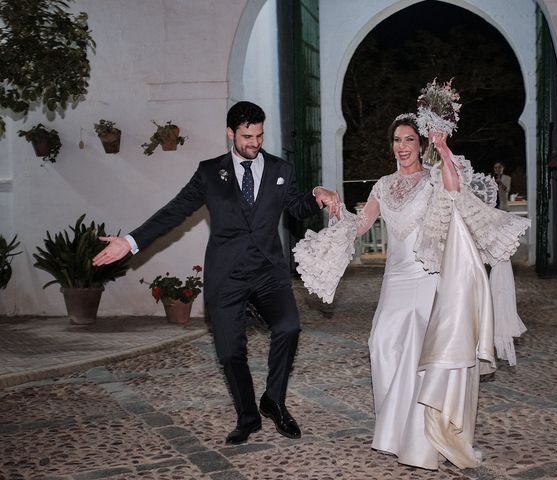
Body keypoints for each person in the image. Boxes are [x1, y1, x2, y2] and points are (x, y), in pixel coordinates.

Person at [92, 101, 340, 445]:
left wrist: (317, 194)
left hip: (268, 271)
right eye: (246, 136)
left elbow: (297, 206)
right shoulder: (210, 172)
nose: (254, 142)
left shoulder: (280, 169)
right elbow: (174, 212)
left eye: (259, 135)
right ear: (230, 133)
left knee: (289, 326)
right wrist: (130, 243)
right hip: (227, 275)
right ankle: (248, 417)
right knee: (229, 351)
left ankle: (274, 400)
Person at [294, 107, 529, 469]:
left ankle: (421, 439)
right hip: (395, 281)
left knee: (421, 356)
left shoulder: (435, 178)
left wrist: (444, 145)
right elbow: (360, 226)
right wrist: (333, 204)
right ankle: (394, 430)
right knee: (382, 344)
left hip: (427, 277)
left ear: (421, 146)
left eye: (409, 140)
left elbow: (454, 189)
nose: (402, 147)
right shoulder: (383, 185)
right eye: (397, 140)